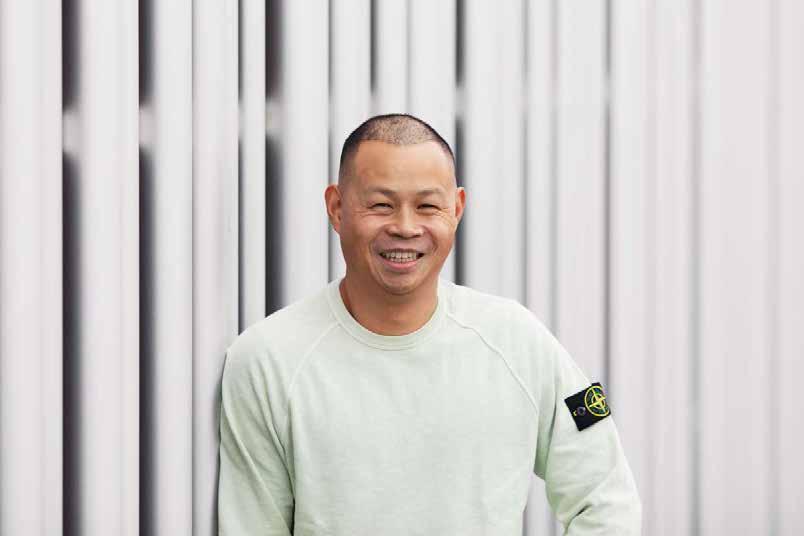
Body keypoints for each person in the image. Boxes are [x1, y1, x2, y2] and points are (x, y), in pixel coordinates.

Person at [217, 113, 642, 535]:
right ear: (337, 208)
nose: (405, 227)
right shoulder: (266, 360)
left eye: (427, 206)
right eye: (381, 205)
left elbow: (606, 497)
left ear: (456, 209)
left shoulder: (518, 340)